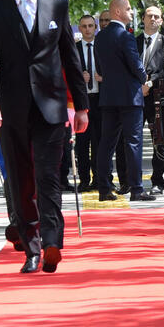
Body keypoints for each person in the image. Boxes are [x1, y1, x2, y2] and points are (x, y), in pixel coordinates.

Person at [0, 0, 89, 274]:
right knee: (21, 179)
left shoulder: (57, 5)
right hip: (11, 108)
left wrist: (81, 106)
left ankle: (52, 243)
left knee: (48, 176)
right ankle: (32, 248)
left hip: (51, 107)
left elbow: (70, 58)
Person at [95, 0, 153, 202]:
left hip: (109, 96)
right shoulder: (126, 36)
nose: (132, 12)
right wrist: (145, 78)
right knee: (133, 143)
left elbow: (100, 68)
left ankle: (104, 188)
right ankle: (136, 189)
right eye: (128, 9)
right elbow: (135, 65)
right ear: (118, 12)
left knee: (106, 143)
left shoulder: (100, 37)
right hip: (130, 97)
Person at [135, 5, 164, 193]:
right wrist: (138, 86)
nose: (152, 19)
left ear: (161, 21)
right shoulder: (132, 41)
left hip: (158, 97)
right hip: (135, 96)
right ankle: (131, 181)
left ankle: (157, 181)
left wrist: (149, 84)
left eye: (156, 16)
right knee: (131, 139)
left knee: (159, 140)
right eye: (149, 16)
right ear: (143, 18)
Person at [75, 14, 101, 193]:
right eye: (84, 26)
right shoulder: (74, 49)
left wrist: (104, 78)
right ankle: (84, 179)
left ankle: (99, 178)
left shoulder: (102, 47)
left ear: (95, 27)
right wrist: (79, 78)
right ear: (80, 28)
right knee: (82, 143)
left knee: (99, 141)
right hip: (82, 100)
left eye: (90, 25)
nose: (87, 29)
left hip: (100, 99)